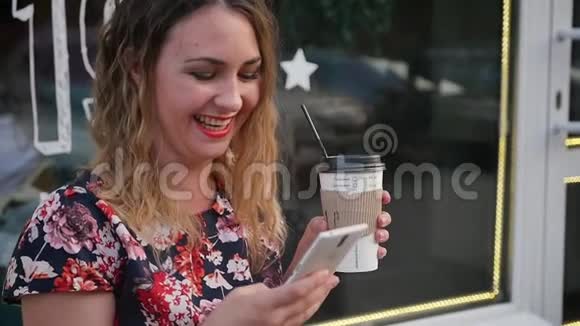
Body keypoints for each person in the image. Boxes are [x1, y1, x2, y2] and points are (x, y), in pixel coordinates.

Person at [1, 1, 392, 325]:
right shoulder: (73, 223)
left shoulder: (236, 201)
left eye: (248, 74)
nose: (233, 99)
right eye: (205, 73)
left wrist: (301, 280)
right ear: (138, 69)